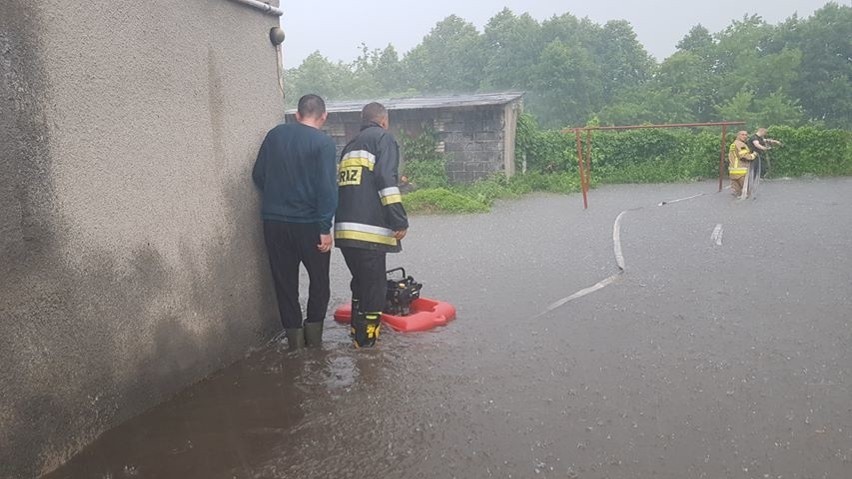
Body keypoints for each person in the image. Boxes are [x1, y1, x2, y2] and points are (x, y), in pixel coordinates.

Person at [252, 94, 338, 350]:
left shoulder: (274, 135)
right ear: (323, 116)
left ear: (297, 115)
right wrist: (325, 228)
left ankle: (295, 345)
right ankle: (315, 341)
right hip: (309, 225)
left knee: (285, 282)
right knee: (319, 281)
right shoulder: (323, 143)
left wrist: (279, 196)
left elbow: (258, 175)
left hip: (274, 223)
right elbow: (327, 189)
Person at [334, 102, 409, 348]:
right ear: (384, 121)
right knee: (374, 287)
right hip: (369, 233)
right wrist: (398, 219)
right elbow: (386, 180)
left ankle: (357, 336)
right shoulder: (383, 140)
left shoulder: (350, 146)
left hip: (345, 232)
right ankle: (367, 346)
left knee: (360, 283)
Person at [728, 130, 756, 198]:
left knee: (737, 193)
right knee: (746, 192)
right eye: (742, 134)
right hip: (741, 171)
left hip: (733, 171)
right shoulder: (741, 144)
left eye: (746, 135)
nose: (745, 136)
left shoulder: (733, 144)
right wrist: (753, 155)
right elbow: (744, 156)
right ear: (738, 135)